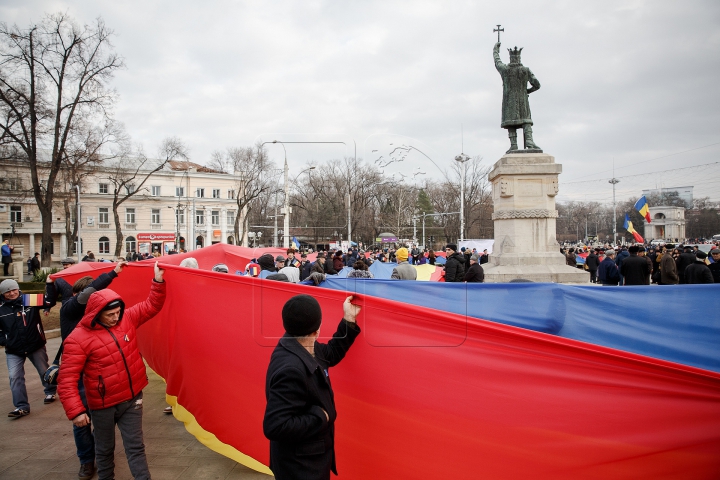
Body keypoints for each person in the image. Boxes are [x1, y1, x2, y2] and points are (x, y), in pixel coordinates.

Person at [58, 262, 166, 480]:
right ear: (96, 313)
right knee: (105, 451)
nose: (116, 317)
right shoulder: (78, 339)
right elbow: (66, 378)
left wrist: (158, 281)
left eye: (118, 312)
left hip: (132, 400)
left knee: (136, 448)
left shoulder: (126, 319)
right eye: (110, 314)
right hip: (102, 405)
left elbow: (151, 306)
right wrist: (76, 411)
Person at [263, 295, 361, 480]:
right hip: (300, 468)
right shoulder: (291, 369)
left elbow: (330, 353)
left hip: (309, 459)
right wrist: (320, 417)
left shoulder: (300, 344)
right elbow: (275, 426)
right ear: (316, 330)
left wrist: (348, 320)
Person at [55, 261, 126, 480]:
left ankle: (99, 454)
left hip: (99, 375)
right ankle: (87, 461)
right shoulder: (70, 309)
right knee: (81, 419)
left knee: (102, 420)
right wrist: (113, 273)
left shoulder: (101, 317)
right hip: (79, 377)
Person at [0, 278, 58, 417]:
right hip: (13, 349)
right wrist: (4, 341)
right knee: (15, 377)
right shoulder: (1, 308)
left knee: (44, 370)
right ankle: (21, 406)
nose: (12, 293)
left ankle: (50, 392)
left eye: (14, 290)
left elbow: (50, 301)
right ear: (3, 294)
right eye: (8, 292)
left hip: (35, 344)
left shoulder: (28, 299)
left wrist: (49, 284)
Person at [493, 41, 541, 152]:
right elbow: (537, 85)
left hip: (509, 102)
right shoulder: (525, 70)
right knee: (526, 120)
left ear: (511, 58)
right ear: (519, 58)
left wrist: (495, 50)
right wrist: (527, 91)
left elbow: (497, 61)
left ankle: (513, 144)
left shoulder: (505, 70)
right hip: (522, 100)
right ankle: (529, 141)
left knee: (511, 122)